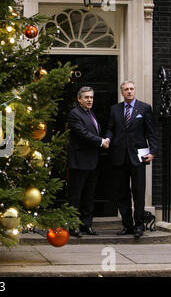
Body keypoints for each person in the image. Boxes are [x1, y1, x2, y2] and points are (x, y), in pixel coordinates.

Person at [105, 81, 158, 238]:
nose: (129, 91)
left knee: (138, 192)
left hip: (138, 157)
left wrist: (153, 151)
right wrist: (108, 138)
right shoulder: (114, 109)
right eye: (126, 89)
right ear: (122, 92)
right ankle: (127, 225)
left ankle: (139, 226)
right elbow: (110, 128)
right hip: (119, 156)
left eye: (131, 89)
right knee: (122, 193)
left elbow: (151, 132)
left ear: (135, 91)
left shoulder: (144, 108)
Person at [67, 86, 109, 237]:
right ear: (79, 99)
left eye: (91, 97)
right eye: (86, 97)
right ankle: (72, 226)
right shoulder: (74, 114)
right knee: (76, 195)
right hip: (79, 162)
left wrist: (104, 140)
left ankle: (86, 225)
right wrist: (101, 141)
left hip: (93, 161)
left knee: (89, 195)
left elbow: (93, 131)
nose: (90, 100)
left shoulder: (91, 113)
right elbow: (82, 134)